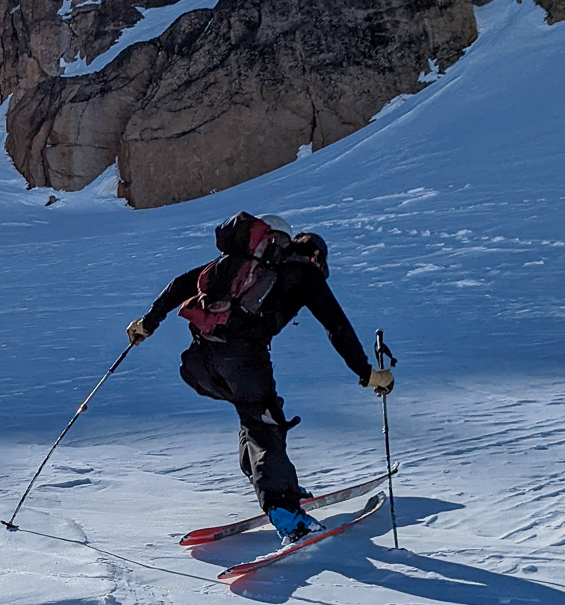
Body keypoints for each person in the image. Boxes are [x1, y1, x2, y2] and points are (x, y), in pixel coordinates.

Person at [126, 214, 394, 543]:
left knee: (256, 416)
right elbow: (335, 324)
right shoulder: (301, 271)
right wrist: (366, 373)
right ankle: (287, 514)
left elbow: (180, 285)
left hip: (198, 363)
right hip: (242, 359)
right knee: (264, 425)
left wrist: (148, 323)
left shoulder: (233, 265)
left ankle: (279, 486)